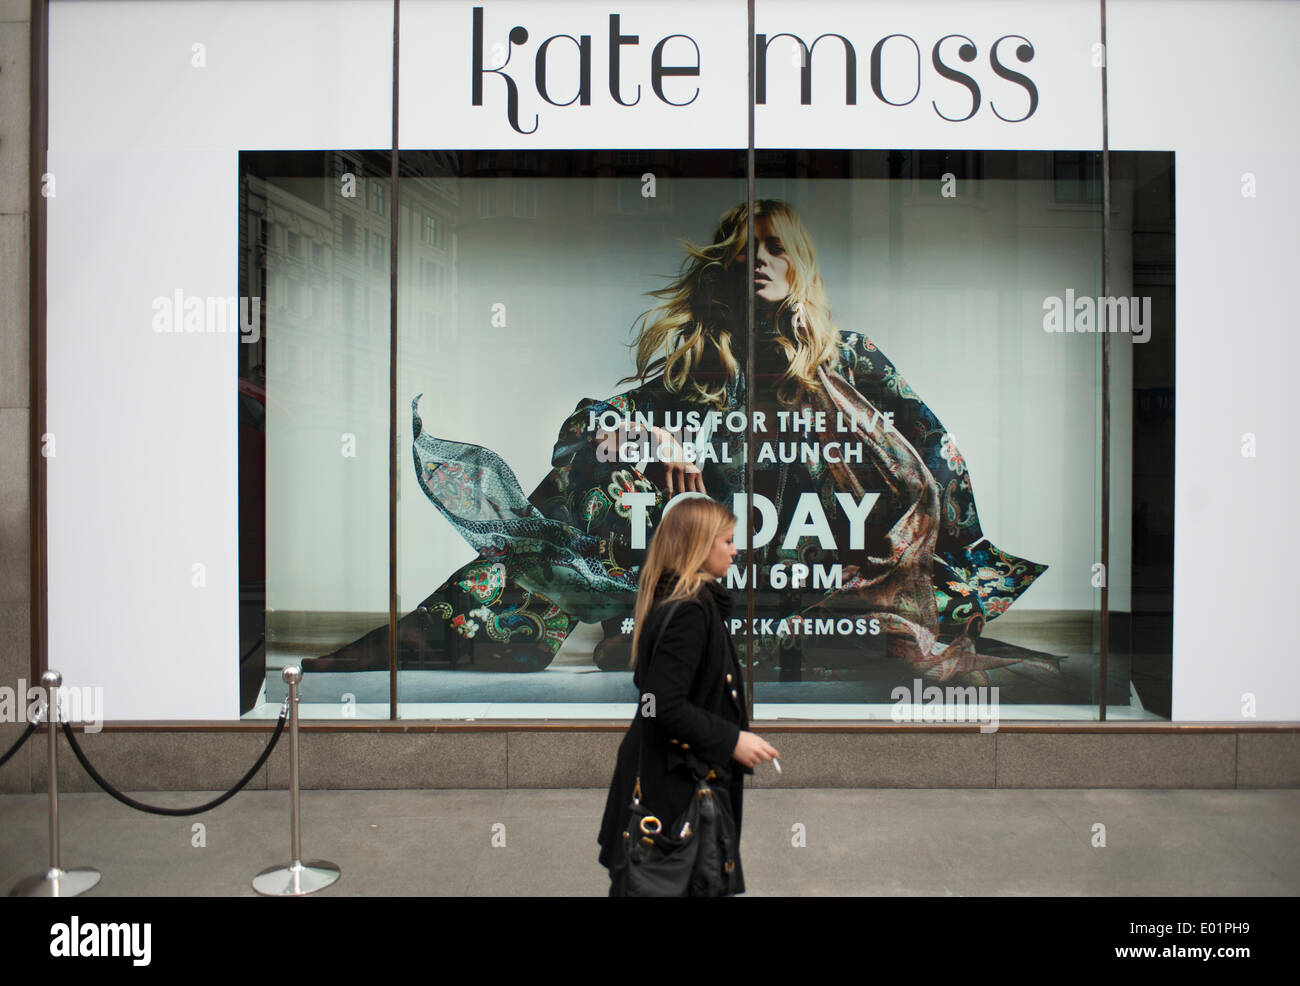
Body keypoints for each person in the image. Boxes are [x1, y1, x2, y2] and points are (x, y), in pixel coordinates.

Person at [305, 199, 1053, 685]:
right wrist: (637, 433)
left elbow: (936, 454)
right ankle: (452, 633)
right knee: (593, 475)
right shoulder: (705, 359)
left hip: (827, 561)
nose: (758, 259)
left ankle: (807, 631)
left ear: (799, 267)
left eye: (774, 249)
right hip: (720, 558)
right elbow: (594, 428)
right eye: (743, 249)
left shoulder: (849, 358)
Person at [596, 494, 779, 895]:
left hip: (668, 779)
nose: (735, 551)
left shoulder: (682, 602)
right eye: (727, 541)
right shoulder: (689, 611)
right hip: (672, 795)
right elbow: (663, 704)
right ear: (699, 545)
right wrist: (733, 740)